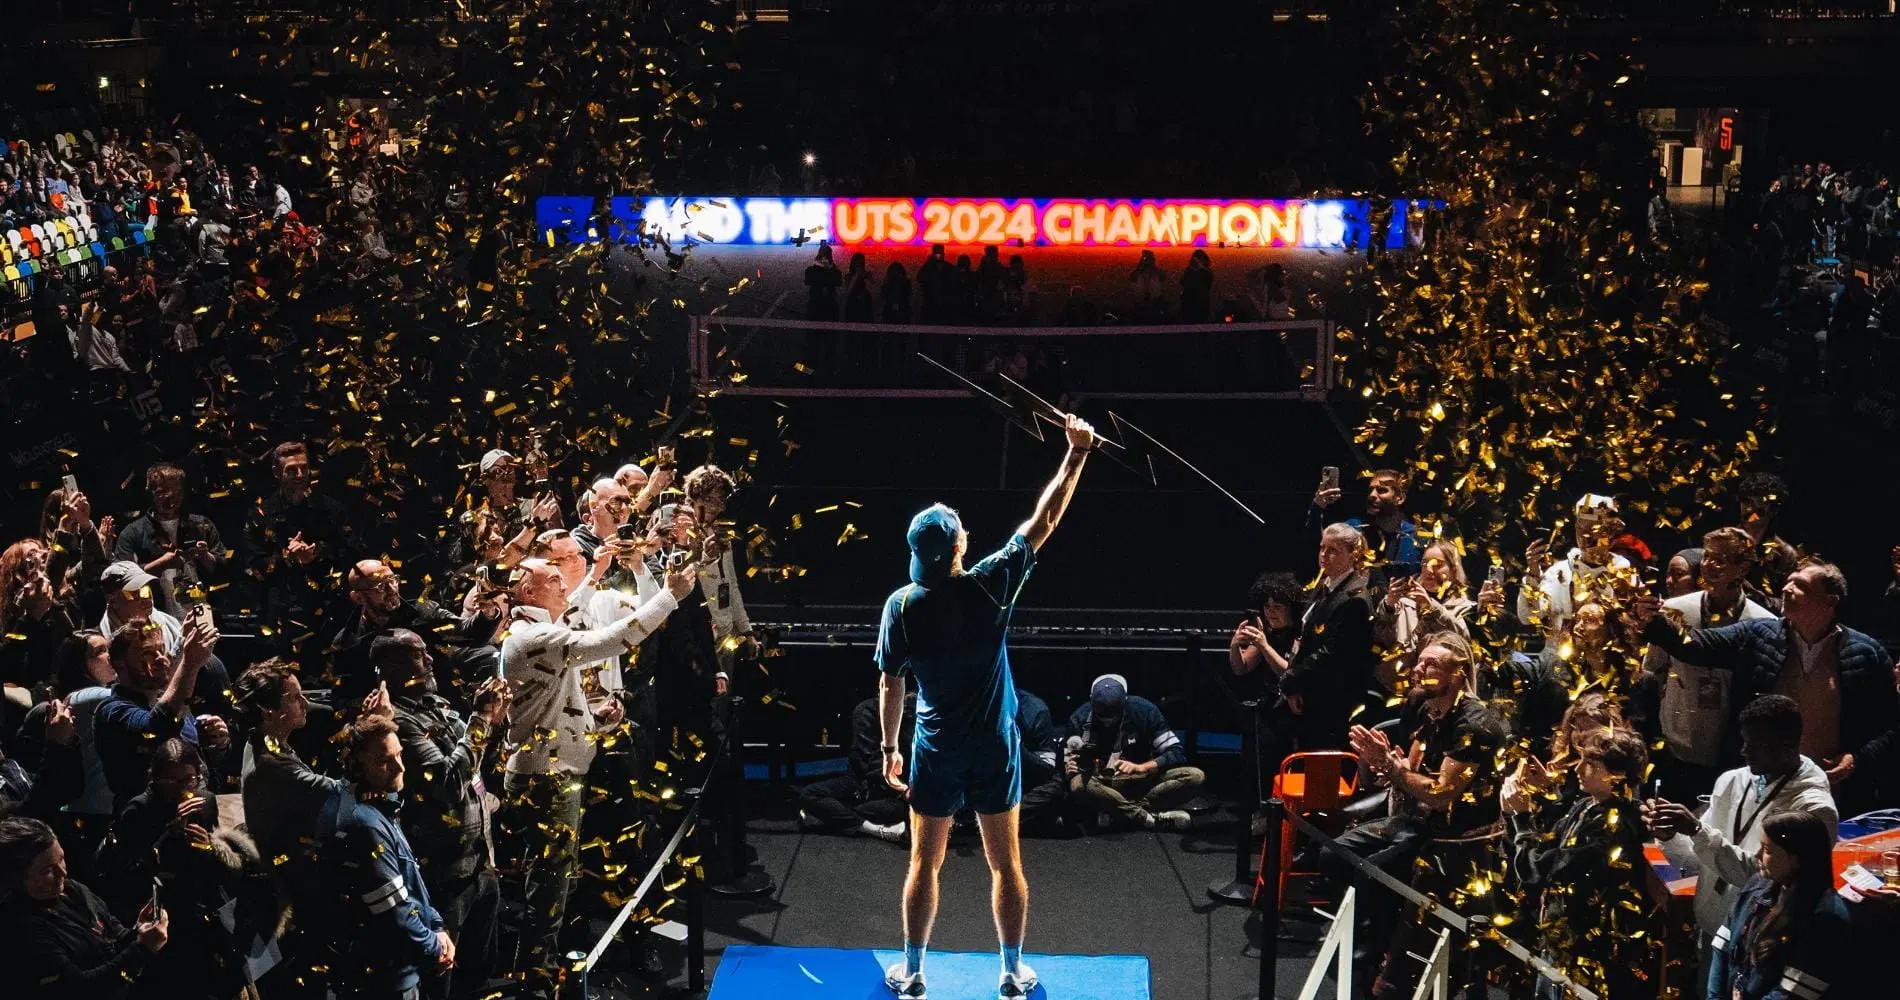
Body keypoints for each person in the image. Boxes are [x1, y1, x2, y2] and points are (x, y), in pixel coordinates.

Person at [874, 413, 1096, 1000]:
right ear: (960, 546)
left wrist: (889, 746)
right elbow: (1044, 519)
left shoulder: (901, 605)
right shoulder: (989, 584)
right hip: (994, 748)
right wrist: (1075, 454)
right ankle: (1010, 973)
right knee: (1006, 864)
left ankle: (915, 971)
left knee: (925, 863)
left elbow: (890, 683)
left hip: (934, 747)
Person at [499, 555, 691, 993]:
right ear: (528, 592)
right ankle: (536, 983)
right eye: (553, 580)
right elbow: (615, 638)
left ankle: (543, 975)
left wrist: (597, 719)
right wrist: (669, 595)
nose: (564, 587)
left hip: (557, 775)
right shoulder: (534, 636)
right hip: (545, 781)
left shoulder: (540, 634)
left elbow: (558, 703)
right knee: (546, 891)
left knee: (555, 883)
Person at [1640, 558, 1896, 814]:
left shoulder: (1866, 654)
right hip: (1758, 785)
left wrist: (1857, 759)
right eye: (1788, 582)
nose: (1786, 589)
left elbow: (1891, 724)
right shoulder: (1758, 635)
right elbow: (1695, 646)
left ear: (1830, 601)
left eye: (1801, 586)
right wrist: (1653, 622)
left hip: (1829, 791)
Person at [1345, 633, 1507, 999]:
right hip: (1417, 823)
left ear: (1459, 673)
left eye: (1431, 664)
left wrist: (1393, 767)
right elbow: (1409, 770)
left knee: (1373, 877)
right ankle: (1379, 939)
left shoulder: (1475, 726)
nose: (1418, 670)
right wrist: (1382, 764)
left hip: (1457, 842)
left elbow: (1440, 794)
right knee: (1336, 854)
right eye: (1419, 662)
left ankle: (1386, 956)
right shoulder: (1424, 707)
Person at [1643, 695, 1838, 963]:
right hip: (1713, 931)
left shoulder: (1814, 810)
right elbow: (1697, 861)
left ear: (1788, 745)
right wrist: (1670, 836)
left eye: (1756, 745)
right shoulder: (1733, 780)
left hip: (1761, 945)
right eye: (1744, 741)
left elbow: (1764, 880)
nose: (1744, 751)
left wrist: (1698, 831)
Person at [376, 630, 508, 1000]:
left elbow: (479, 763)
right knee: (440, 978)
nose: (431, 660)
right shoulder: (400, 723)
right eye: (419, 655)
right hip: (444, 874)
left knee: (478, 975)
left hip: (481, 860)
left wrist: (497, 721)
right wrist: (481, 717)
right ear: (392, 668)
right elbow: (448, 782)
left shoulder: (436, 704)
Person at [1512, 729, 1659, 999]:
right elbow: (1543, 850)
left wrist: (1520, 820)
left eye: (1590, 763)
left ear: (1618, 775)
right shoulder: (1584, 806)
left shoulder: (1616, 827)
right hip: (1559, 946)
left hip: (1589, 961)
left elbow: (1537, 869)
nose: (1578, 768)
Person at [314, 716, 451, 1000]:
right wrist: (435, 946)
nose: (400, 767)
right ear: (356, 767)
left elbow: (411, 884)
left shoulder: (374, 804)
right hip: (386, 982)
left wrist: (437, 926)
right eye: (384, 761)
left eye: (399, 754)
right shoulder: (365, 824)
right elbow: (395, 913)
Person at [1642, 527, 1774, 803]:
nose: (1711, 565)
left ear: (1743, 568)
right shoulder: (1674, 610)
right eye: (1708, 557)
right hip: (1676, 746)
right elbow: (1653, 670)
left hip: (1730, 753)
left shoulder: (1763, 622)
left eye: (1723, 559)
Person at [0, 815, 169, 999]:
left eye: (62, 859)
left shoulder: (73, 890)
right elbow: (81, 987)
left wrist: (139, 931)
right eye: (47, 870)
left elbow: (110, 941)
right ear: (17, 878)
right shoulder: (21, 927)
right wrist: (142, 949)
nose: (62, 872)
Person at [1706, 810, 1849, 1000]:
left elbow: (1790, 994)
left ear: (1797, 859)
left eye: (1767, 850)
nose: (1757, 855)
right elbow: (1722, 948)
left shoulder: (1826, 919)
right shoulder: (1756, 886)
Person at [95, 619, 227, 816]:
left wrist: (217, 741)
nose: (160, 659)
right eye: (147, 653)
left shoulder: (168, 701)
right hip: (146, 827)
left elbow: (200, 760)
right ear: (119, 664)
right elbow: (156, 727)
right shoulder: (112, 710)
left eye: (161, 649)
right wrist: (190, 663)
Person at [242, 441, 365, 648]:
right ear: (277, 472)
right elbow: (251, 567)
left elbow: (353, 553)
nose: (300, 475)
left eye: (304, 468)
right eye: (291, 470)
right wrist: (287, 557)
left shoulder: (332, 510)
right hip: (283, 610)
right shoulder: (261, 515)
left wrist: (317, 553)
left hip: (328, 608)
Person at [1272, 523, 1375, 764]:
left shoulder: (1354, 598)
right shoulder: (1325, 585)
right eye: (1322, 548)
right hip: (1309, 690)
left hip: (1331, 699)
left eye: (1333, 550)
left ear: (1353, 554)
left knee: (1322, 766)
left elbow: (1333, 652)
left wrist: (1292, 678)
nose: (1323, 556)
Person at [1060, 675, 1202, 830]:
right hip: (1104, 787)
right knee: (1078, 784)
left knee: (1195, 776)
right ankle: (1148, 819)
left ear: (1125, 702)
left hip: (1141, 781)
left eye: (1113, 714)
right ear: (1091, 701)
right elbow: (1068, 763)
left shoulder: (1145, 711)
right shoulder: (1078, 720)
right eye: (1102, 714)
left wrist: (1142, 767)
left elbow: (1176, 752)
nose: (1108, 720)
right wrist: (1069, 770)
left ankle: (1119, 815)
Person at [111, 462, 226, 618]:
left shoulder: (201, 525)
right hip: (154, 619)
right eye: (162, 492)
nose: (171, 498)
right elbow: (120, 579)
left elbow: (225, 573)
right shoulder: (133, 532)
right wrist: (161, 564)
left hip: (202, 617)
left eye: (177, 493)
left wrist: (205, 556)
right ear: (150, 492)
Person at [798, 691, 915, 842]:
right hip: (868, 785)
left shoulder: (913, 716)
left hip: (893, 794)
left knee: (902, 808)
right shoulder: (869, 711)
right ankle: (876, 830)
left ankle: (830, 817)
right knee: (810, 795)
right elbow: (866, 763)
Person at [1520, 493, 1631, 638]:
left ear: (1609, 532)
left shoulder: (1622, 572)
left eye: (1593, 530)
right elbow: (1527, 617)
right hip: (1557, 657)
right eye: (1580, 529)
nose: (1584, 538)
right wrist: (1533, 575)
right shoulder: (1559, 571)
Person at [1306, 468, 1422, 578]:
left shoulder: (1416, 536)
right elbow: (1319, 546)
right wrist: (1317, 507)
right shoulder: (1355, 527)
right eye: (1370, 490)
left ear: (1399, 498)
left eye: (1381, 490)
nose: (1372, 495)